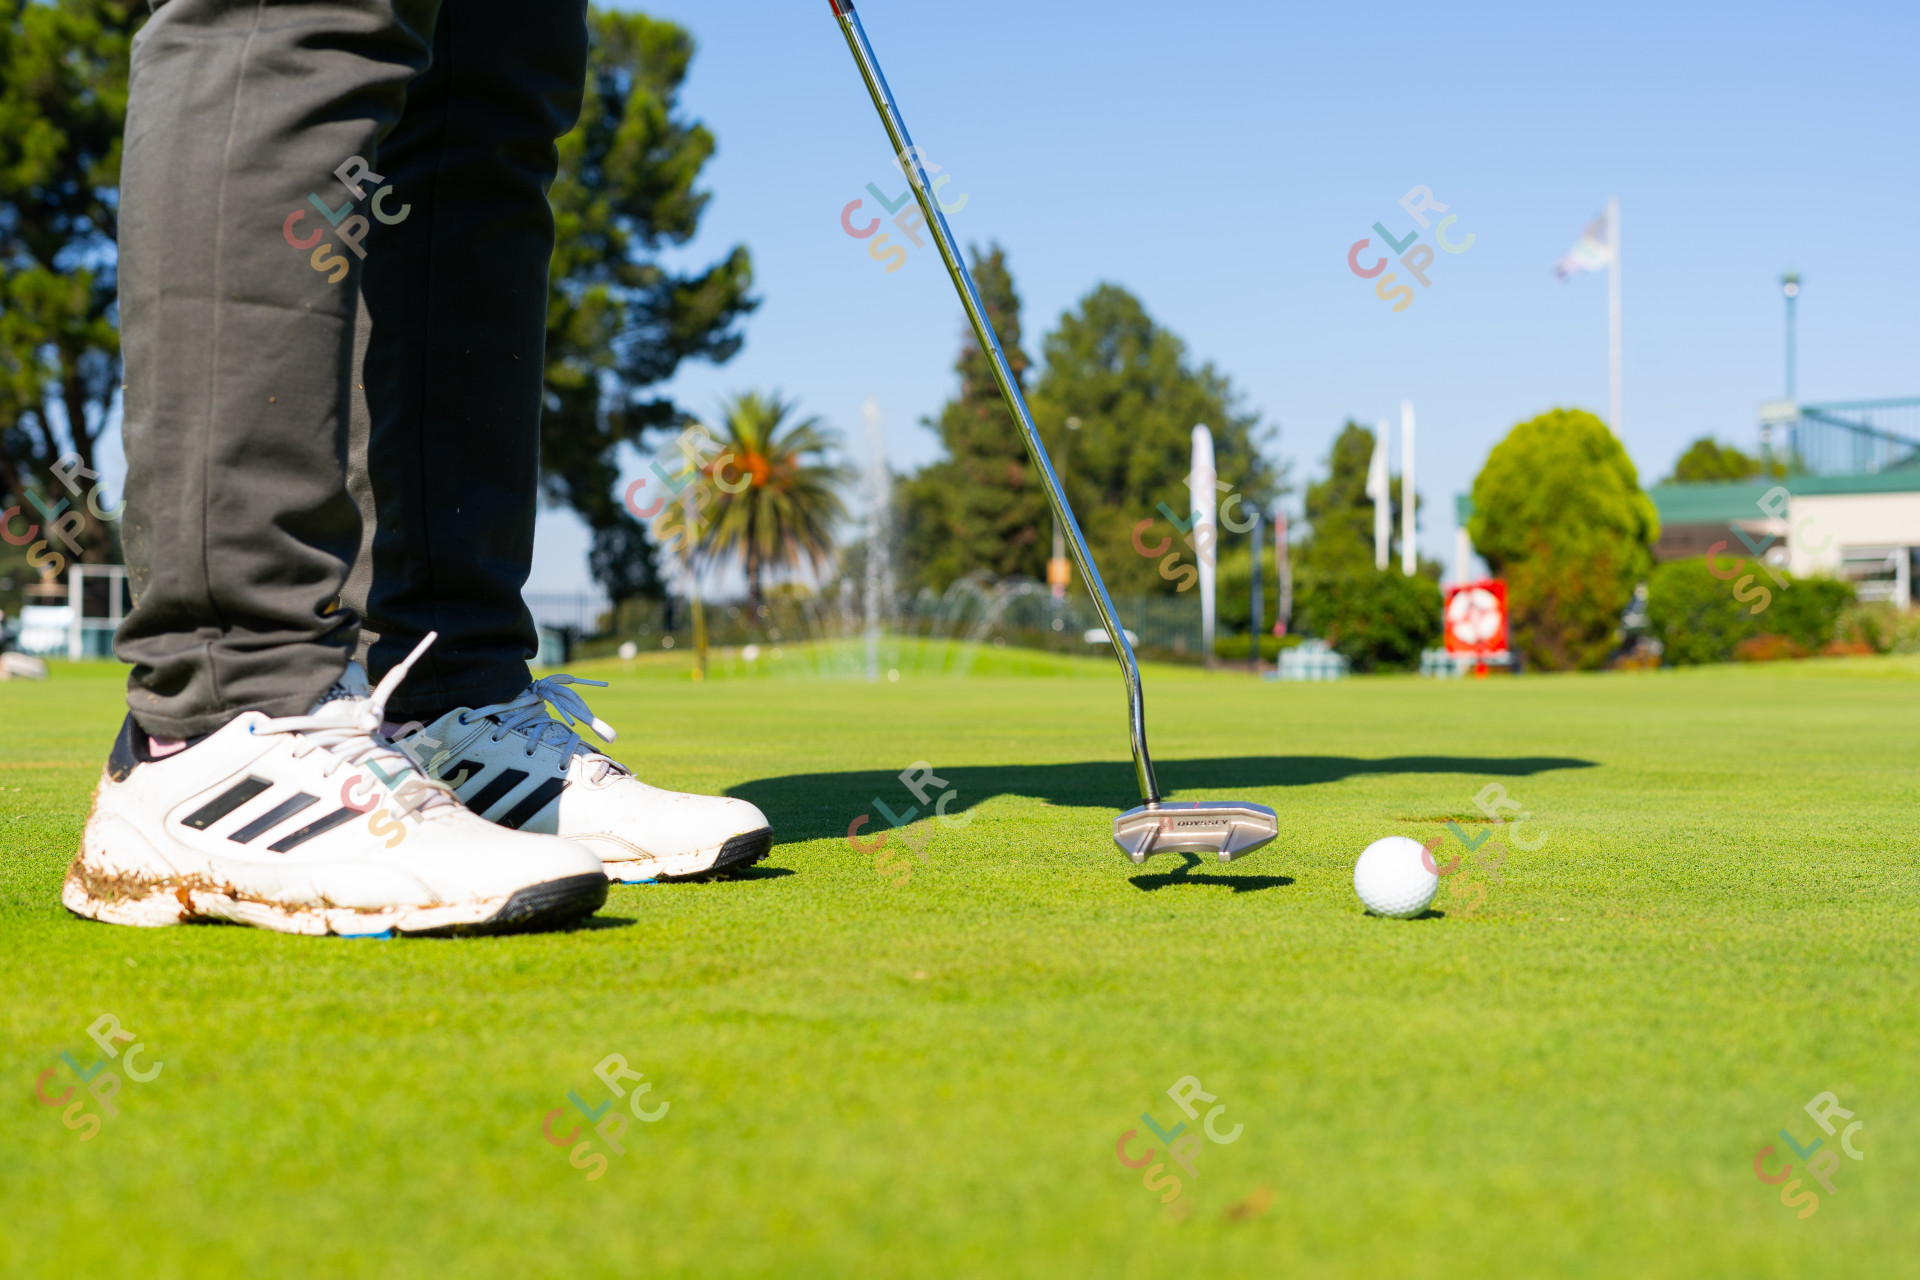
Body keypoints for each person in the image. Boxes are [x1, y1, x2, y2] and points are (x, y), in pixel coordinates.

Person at [64, 0, 770, 937]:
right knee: (303, 14)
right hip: (222, 707)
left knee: (487, 87)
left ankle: (442, 695)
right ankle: (217, 709)